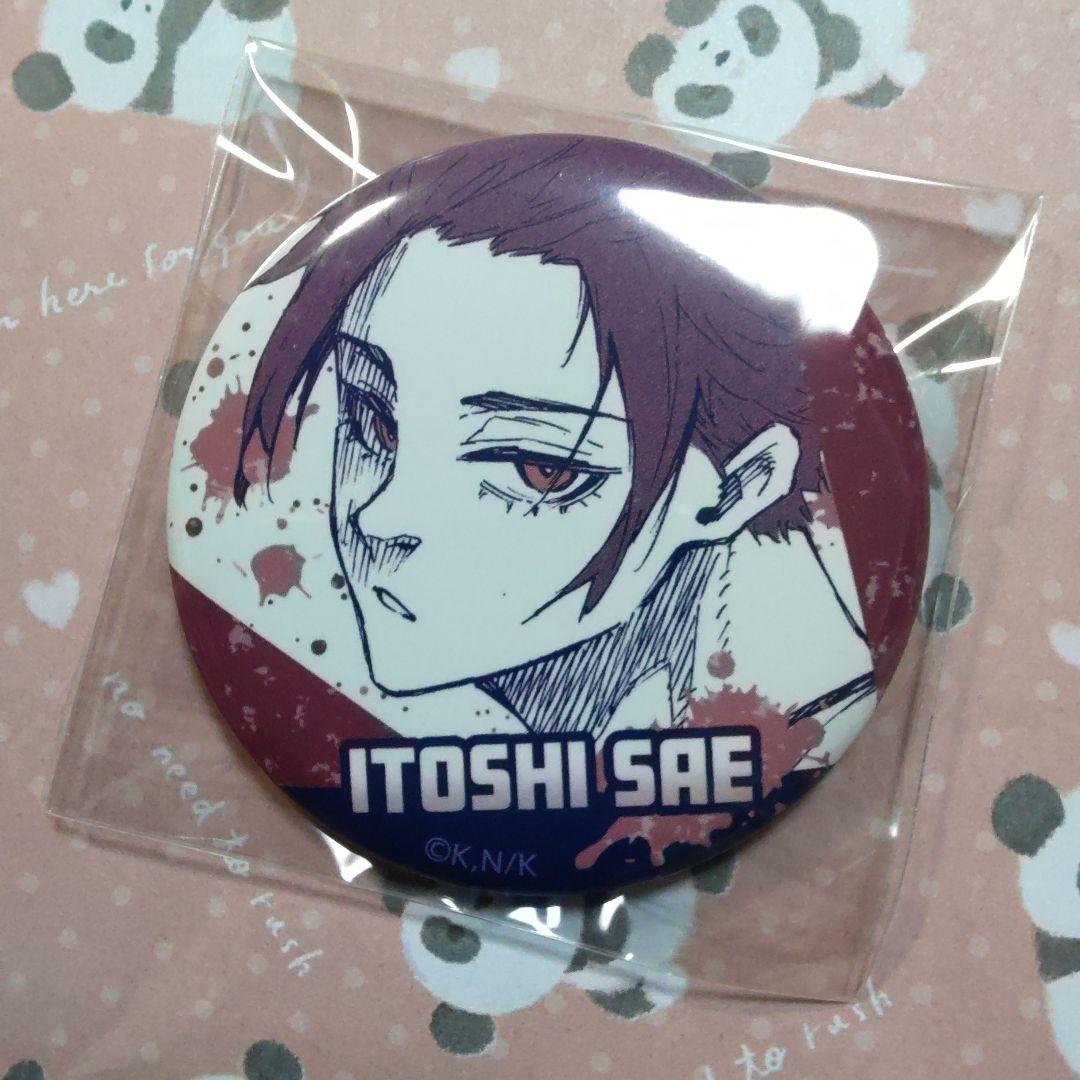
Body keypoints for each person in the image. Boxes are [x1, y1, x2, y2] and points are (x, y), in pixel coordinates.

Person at [235, 134, 875, 747]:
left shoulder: (784, 729)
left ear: (736, 489)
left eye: (538, 468)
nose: (380, 517)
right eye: (374, 418)